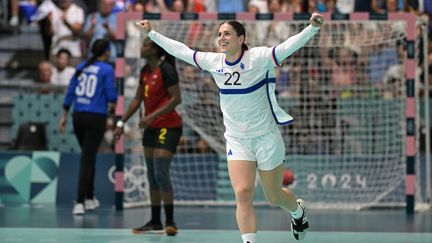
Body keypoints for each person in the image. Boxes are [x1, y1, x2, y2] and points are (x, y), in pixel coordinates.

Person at [135, 12, 324, 243]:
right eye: (219, 34)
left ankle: (297, 211)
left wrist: (312, 29)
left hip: (266, 137)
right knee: (243, 193)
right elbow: (182, 51)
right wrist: (151, 33)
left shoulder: (259, 57)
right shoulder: (214, 62)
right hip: (237, 139)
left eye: (227, 34)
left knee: (273, 197)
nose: (222, 38)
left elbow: (287, 47)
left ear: (241, 38)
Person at [113, 38, 182, 236]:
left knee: (160, 172)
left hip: (168, 126)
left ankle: (170, 221)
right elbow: (137, 99)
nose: (140, 48)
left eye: (144, 45)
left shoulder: (167, 70)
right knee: (151, 175)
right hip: (151, 128)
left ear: (153, 49)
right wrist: (121, 123)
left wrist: (151, 116)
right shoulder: (145, 71)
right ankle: (155, 221)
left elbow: (177, 99)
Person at [59, 38, 118, 215]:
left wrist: (64, 115)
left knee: (88, 155)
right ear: (106, 52)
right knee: (87, 158)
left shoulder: (81, 67)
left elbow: (71, 90)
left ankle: (90, 198)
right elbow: (111, 95)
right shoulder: (107, 69)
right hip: (95, 117)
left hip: (78, 116)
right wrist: (114, 103)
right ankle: (79, 201)